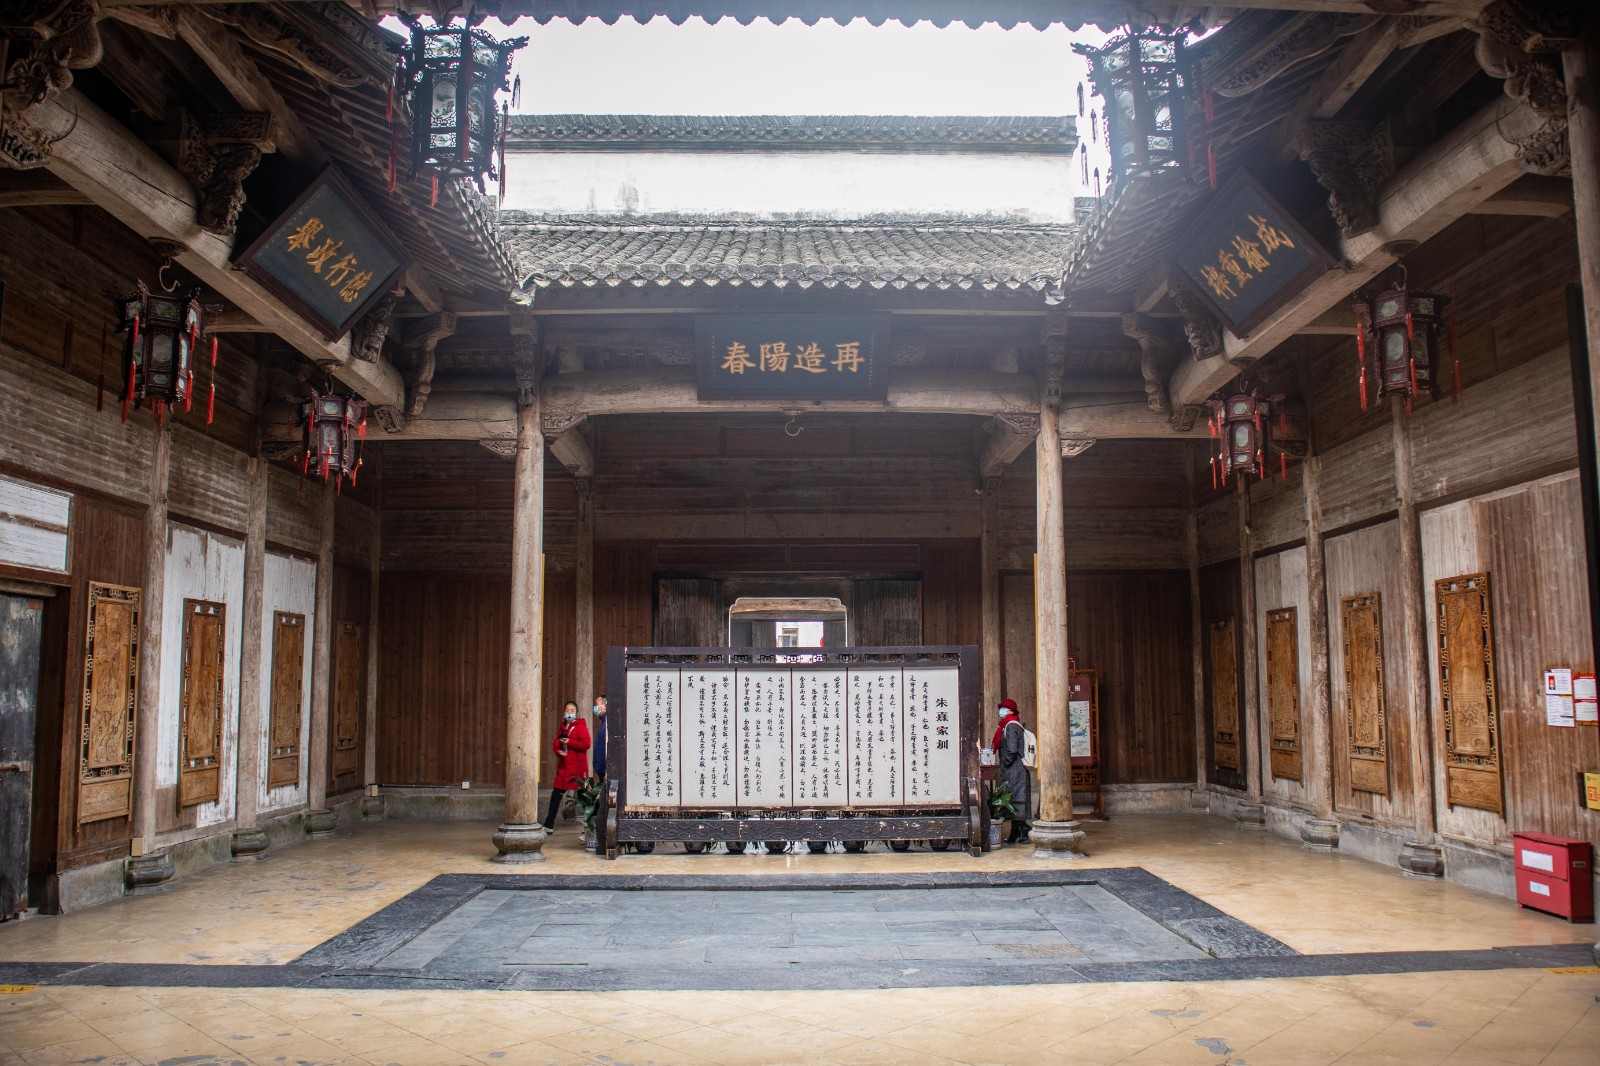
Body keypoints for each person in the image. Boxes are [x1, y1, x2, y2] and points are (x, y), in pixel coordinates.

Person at [542, 701, 591, 831]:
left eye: (572, 710)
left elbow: (586, 744)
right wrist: (559, 751)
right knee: (556, 796)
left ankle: (591, 824)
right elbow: (556, 744)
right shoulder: (563, 727)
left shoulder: (580, 726)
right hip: (564, 767)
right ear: (564, 713)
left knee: (582, 796)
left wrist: (570, 742)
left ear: (576, 712)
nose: (570, 713)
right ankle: (548, 824)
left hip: (577, 767)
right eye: (568, 710)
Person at [993, 698, 1031, 844]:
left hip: (1014, 769)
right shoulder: (1008, 725)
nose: (1000, 711)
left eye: (1003, 709)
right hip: (1015, 769)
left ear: (1010, 711)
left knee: (1015, 799)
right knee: (1014, 800)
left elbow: (1012, 749)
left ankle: (1024, 829)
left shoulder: (1011, 726)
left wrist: (1005, 763)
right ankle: (1016, 832)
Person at [591, 695, 608, 779]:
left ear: (604, 707)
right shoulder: (604, 723)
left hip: (603, 770)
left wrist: (600, 768)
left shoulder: (606, 725)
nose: (595, 708)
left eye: (597, 705)